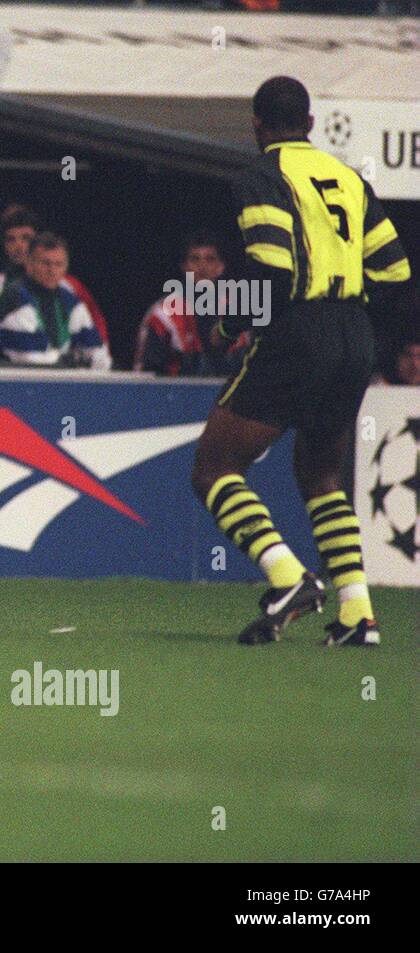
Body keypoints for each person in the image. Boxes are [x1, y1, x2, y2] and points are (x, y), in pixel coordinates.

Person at [190, 75, 411, 647]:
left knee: (214, 468)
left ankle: (288, 577)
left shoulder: (261, 176)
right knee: (320, 476)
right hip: (354, 333)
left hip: (300, 331)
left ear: (257, 126)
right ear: (311, 124)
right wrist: (356, 331)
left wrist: (225, 323)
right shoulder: (351, 180)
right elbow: (395, 273)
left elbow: (271, 269)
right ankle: (358, 614)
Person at [0, 204, 109, 361]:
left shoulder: (71, 291)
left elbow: (98, 345)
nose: (19, 246)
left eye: (26, 238)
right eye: (11, 239)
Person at [0, 232, 112, 369]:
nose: (52, 270)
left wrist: (94, 363)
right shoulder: (15, 298)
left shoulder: (70, 301)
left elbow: (98, 356)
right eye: (46, 263)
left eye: (58, 264)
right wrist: (74, 362)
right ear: (29, 263)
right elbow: (33, 359)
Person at [133, 232, 249, 376]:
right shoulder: (163, 314)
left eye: (210, 259)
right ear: (185, 266)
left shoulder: (239, 310)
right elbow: (146, 375)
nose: (202, 266)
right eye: (195, 259)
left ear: (221, 267)